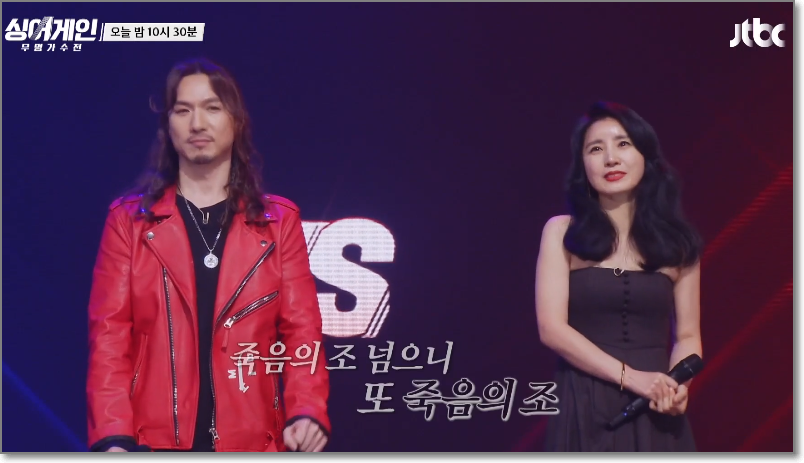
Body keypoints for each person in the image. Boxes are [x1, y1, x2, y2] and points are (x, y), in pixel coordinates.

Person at [86, 58, 330, 452]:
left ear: (237, 120)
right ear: (168, 126)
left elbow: (301, 331)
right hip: (152, 444)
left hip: (252, 442)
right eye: (183, 110)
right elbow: (109, 338)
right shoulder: (129, 222)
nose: (197, 123)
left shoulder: (278, 222)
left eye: (212, 108)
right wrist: (113, 437)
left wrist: (307, 410)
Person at [535, 101, 703, 451]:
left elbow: (687, 335)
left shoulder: (678, 243)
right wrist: (632, 378)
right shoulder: (562, 232)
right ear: (583, 165)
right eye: (596, 149)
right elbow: (551, 329)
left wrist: (676, 389)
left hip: (655, 406)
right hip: (583, 403)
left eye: (623, 143)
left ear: (645, 155)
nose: (611, 158)